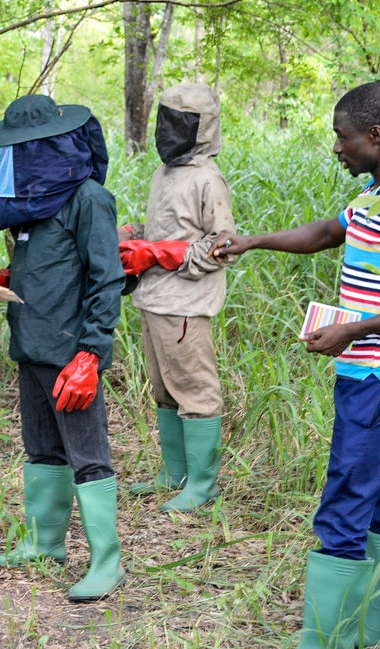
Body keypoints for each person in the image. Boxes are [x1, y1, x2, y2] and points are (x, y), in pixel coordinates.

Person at [211, 81, 380, 649]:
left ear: (375, 136)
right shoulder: (378, 193)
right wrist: (252, 241)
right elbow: (326, 233)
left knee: (345, 500)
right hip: (372, 370)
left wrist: (356, 330)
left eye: (342, 138)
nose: (337, 149)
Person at [0, 93, 127, 602]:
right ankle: (46, 543)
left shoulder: (88, 200)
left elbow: (106, 280)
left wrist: (91, 356)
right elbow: (50, 269)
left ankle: (107, 561)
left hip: (70, 355)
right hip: (31, 346)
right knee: (42, 450)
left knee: (88, 457)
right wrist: (1, 280)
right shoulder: (33, 207)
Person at [118, 83, 237, 513]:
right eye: (164, 120)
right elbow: (172, 229)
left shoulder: (208, 179)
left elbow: (223, 244)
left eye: (177, 123)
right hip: (153, 299)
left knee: (195, 390)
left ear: (200, 128)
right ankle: (175, 473)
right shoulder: (164, 173)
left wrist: (169, 254)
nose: (167, 131)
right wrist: (137, 238)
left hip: (186, 304)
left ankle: (203, 485)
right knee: (164, 388)